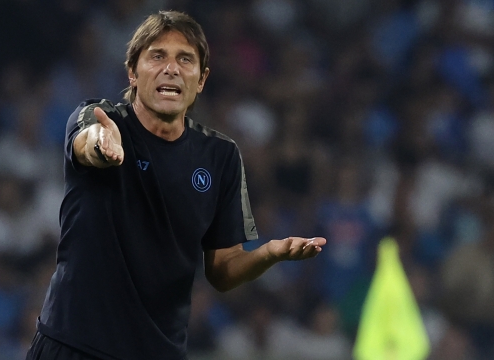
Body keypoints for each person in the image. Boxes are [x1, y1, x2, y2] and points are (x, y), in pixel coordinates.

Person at [26, 10, 326, 360]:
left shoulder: (221, 156)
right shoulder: (99, 116)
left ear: (201, 79)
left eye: (185, 59)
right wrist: (101, 145)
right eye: (157, 56)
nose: (171, 68)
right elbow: (86, 142)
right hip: (73, 346)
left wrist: (269, 255)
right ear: (132, 72)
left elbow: (223, 270)